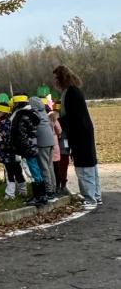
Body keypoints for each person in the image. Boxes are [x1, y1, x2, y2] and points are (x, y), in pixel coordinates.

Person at [53, 65, 102, 208]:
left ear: (61, 79)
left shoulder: (70, 93)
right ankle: (96, 195)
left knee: (83, 165)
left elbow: (70, 116)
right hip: (84, 131)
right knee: (91, 164)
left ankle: (90, 198)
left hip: (79, 133)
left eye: (56, 78)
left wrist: (57, 121)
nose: (54, 81)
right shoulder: (74, 91)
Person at [7, 95, 49, 207]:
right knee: (35, 171)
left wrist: (19, 148)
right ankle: (40, 195)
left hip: (27, 148)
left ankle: (40, 196)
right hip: (32, 146)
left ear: (17, 104)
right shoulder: (30, 114)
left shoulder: (22, 115)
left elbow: (21, 135)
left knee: (34, 172)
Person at [0, 93, 26, 198]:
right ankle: (22, 191)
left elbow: (2, 139)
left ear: (3, 112)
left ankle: (10, 194)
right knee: (18, 171)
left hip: (7, 153)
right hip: (13, 152)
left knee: (10, 173)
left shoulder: (3, 124)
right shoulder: (9, 122)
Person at [28, 90, 58, 198]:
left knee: (44, 167)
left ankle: (48, 190)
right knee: (50, 166)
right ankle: (53, 188)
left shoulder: (34, 115)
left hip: (42, 143)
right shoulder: (44, 112)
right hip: (50, 141)